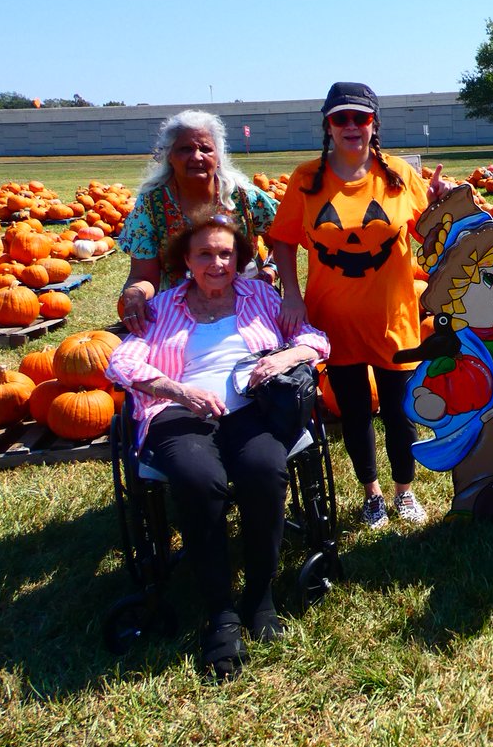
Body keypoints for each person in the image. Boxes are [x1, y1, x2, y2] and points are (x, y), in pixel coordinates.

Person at [106, 213, 331, 681]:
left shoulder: (261, 297)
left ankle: (260, 594)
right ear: (185, 260)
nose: (217, 262)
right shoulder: (163, 306)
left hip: (253, 407)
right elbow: (121, 361)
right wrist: (177, 391)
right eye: (205, 253)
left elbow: (313, 338)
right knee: (196, 479)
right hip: (180, 409)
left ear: (239, 259)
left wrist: (285, 357)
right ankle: (221, 613)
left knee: (264, 470)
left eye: (226, 253)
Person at [272, 82, 451, 530]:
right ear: (328, 125)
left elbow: (428, 240)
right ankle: (371, 493)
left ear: (374, 124)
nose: (351, 126)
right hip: (332, 318)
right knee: (353, 411)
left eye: (361, 117)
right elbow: (282, 240)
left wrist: (440, 205)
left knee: (398, 411)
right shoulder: (307, 178)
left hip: (392, 316)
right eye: (341, 118)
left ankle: (404, 492)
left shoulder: (397, 176)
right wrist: (291, 294)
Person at [118, 110, 277, 336]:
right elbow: (144, 276)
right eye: (185, 149)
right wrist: (135, 293)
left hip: (246, 307)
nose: (196, 157)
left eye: (205, 149)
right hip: (178, 316)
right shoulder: (151, 205)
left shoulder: (243, 198)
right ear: (169, 156)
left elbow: (283, 238)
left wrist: (271, 269)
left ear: (218, 156)